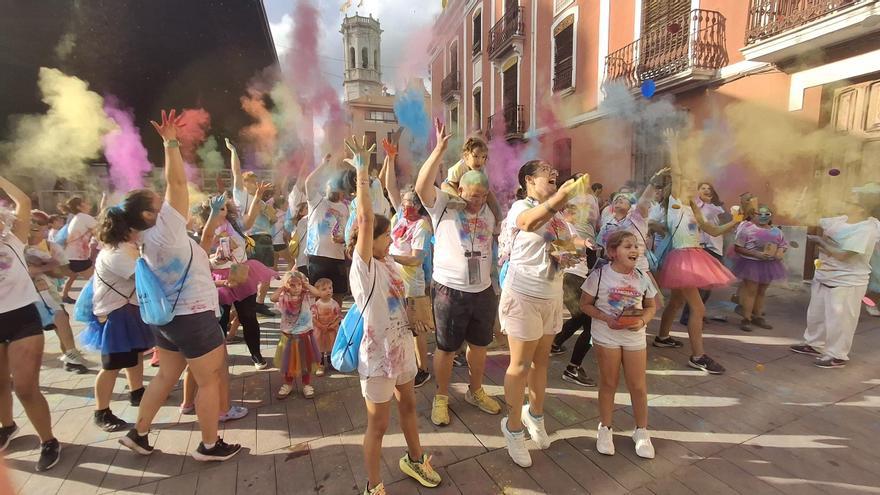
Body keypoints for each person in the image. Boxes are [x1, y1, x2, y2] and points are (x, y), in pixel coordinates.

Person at [118, 110, 240, 461]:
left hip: (168, 320)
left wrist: (214, 220)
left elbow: (196, 254)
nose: (164, 199)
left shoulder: (148, 238)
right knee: (209, 379)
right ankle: (210, 445)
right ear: (146, 214)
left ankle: (138, 434)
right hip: (192, 317)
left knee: (166, 376)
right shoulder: (163, 229)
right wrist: (171, 143)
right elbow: (176, 184)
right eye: (156, 202)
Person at [347, 135, 441, 495]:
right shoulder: (364, 266)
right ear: (371, 241)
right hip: (377, 358)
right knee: (378, 424)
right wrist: (361, 171)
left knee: (410, 407)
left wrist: (415, 316)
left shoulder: (386, 263)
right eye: (385, 237)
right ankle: (374, 485)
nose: (390, 241)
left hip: (401, 350)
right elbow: (367, 218)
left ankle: (415, 460)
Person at [498, 160, 588, 467]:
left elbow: (570, 249)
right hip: (523, 295)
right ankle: (512, 428)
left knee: (541, 361)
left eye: (556, 176)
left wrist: (576, 247)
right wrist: (558, 199)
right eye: (547, 176)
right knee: (519, 365)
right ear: (528, 180)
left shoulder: (560, 215)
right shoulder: (519, 207)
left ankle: (534, 415)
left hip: (551, 296)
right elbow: (528, 223)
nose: (554, 177)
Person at [414, 119, 502, 427]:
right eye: (470, 194)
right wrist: (439, 150)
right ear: (459, 188)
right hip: (450, 289)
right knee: (446, 348)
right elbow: (421, 187)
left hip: (483, 290)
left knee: (479, 346)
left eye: (481, 195)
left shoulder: (490, 211)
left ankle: (475, 391)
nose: (475, 201)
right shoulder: (444, 206)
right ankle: (441, 397)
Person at [654, 130, 738, 374]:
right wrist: (672, 146)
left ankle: (662, 337)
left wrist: (736, 221)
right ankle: (698, 356)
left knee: (678, 300)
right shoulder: (676, 204)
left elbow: (712, 228)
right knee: (698, 309)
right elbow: (678, 173)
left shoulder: (692, 209)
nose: (690, 186)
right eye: (687, 184)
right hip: (683, 258)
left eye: (693, 184)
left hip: (694, 254)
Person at [0, 175, 60, 471]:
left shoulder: (14, 237)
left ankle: (48, 440)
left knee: (24, 387)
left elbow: (22, 201)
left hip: (22, 316)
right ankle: (7, 426)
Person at [581, 230, 658, 459]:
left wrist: (643, 320)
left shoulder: (642, 276)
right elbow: (585, 305)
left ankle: (641, 431)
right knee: (609, 382)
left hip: (634, 335)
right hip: (607, 335)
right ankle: (605, 428)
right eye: (627, 246)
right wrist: (607, 319)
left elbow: (652, 306)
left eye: (635, 246)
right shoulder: (600, 275)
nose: (634, 250)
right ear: (613, 252)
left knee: (638, 385)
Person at [79, 205, 155, 432]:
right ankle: (101, 411)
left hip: (128, 311)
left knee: (135, 354)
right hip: (117, 314)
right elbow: (142, 277)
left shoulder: (124, 248)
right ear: (126, 228)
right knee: (112, 365)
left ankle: (137, 391)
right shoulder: (117, 253)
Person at [790, 199, 880, 368]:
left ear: (861, 208)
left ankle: (837, 355)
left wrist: (819, 241)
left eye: (850, 202)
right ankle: (814, 344)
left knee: (840, 321)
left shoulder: (867, 229)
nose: (844, 203)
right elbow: (806, 217)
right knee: (816, 314)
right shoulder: (840, 220)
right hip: (824, 275)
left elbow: (843, 255)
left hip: (848, 281)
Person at [198, 190, 276, 370]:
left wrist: (257, 196)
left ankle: (256, 354)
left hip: (241, 273)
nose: (220, 211)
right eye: (215, 209)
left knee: (248, 317)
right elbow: (202, 256)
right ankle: (218, 358)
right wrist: (214, 260)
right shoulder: (205, 231)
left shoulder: (235, 225)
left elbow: (250, 219)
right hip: (219, 278)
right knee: (220, 320)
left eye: (222, 208)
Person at [383, 137, 434, 388]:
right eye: (404, 204)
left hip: (412, 286)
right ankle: (403, 362)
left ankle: (423, 369)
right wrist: (390, 158)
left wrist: (388, 257)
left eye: (411, 204)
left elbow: (415, 259)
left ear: (420, 206)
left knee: (416, 329)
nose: (405, 208)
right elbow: (390, 187)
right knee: (396, 326)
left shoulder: (422, 226)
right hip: (393, 283)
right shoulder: (400, 218)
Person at [24, 211, 90, 373]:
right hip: (21, 296)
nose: (40, 232)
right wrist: (45, 267)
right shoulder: (18, 245)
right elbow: (27, 271)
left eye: (43, 228)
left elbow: (63, 272)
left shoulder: (51, 247)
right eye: (35, 228)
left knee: (60, 320)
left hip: (46, 292)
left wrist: (48, 267)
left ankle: (70, 356)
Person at [227, 138, 275, 316]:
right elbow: (236, 171)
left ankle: (260, 303)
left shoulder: (261, 201)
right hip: (249, 239)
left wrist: (266, 208)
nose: (255, 183)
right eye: (251, 181)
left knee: (268, 273)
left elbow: (273, 220)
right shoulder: (240, 194)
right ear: (245, 183)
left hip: (265, 237)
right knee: (250, 275)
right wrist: (233, 151)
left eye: (256, 181)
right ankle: (244, 304)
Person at [304, 154, 351, 306]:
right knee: (317, 295)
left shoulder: (346, 208)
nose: (332, 187)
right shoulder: (316, 201)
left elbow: (350, 231)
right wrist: (323, 165)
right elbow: (308, 183)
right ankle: (317, 325)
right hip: (317, 256)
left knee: (337, 295)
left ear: (342, 191)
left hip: (337, 257)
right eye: (330, 185)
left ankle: (335, 324)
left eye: (335, 185)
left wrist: (344, 239)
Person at [732, 206, 787, 332]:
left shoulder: (776, 231)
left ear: (771, 215)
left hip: (769, 265)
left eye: (767, 213)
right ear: (754, 214)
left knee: (762, 292)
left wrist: (780, 252)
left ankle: (757, 316)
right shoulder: (748, 228)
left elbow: (783, 245)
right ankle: (746, 318)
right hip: (751, 264)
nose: (763, 216)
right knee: (751, 291)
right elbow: (738, 247)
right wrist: (756, 254)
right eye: (759, 213)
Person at [680, 182, 727, 325]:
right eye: (703, 188)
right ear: (698, 191)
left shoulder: (718, 209)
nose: (706, 190)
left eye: (709, 188)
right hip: (700, 247)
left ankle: (698, 312)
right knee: (699, 285)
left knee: (709, 285)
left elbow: (726, 222)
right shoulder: (693, 207)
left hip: (715, 248)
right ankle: (689, 315)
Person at [271, 270, 319, 399]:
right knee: (288, 363)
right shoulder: (283, 298)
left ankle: (306, 384)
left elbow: (317, 293)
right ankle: (288, 384)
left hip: (304, 335)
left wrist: (306, 284)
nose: (296, 288)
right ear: (287, 286)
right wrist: (282, 287)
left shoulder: (307, 296)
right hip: (289, 336)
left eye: (298, 284)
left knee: (305, 362)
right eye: (292, 285)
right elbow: (273, 298)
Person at [440, 136, 502, 221]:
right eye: (476, 156)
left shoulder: (482, 169)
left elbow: (483, 184)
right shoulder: (459, 167)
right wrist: (457, 195)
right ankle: (456, 200)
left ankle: (499, 216)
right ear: (466, 156)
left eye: (483, 157)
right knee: (444, 185)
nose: (479, 160)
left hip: (472, 188)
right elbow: (452, 182)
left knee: (489, 193)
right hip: (455, 185)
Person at [60, 196, 97, 303]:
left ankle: (65, 295)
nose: (89, 205)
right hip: (78, 257)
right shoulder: (84, 217)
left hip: (71, 255)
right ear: (79, 206)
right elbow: (101, 231)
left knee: (72, 275)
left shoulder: (76, 217)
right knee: (97, 280)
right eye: (86, 203)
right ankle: (90, 303)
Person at [311, 278, 342, 376]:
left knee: (331, 346)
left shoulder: (334, 303)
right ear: (318, 292)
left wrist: (334, 324)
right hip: (320, 330)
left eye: (330, 288)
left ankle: (331, 362)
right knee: (320, 347)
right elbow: (313, 318)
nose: (328, 290)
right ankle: (320, 365)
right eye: (324, 289)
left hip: (331, 330)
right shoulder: (316, 305)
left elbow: (339, 316)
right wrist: (320, 326)